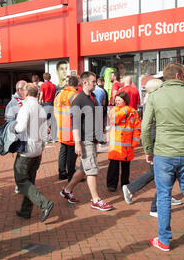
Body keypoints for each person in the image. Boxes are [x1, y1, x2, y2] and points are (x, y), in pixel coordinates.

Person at [141, 63, 184, 252]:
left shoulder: (155, 96)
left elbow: (145, 127)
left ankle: (164, 239)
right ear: (180, 76)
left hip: (163, 153)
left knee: (164, 195)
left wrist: (148, 150)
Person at [60, 71, 113, 211]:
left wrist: (100, 133)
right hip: (85, 140)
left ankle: (67, 190)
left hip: (93, 138)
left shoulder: (93, 97)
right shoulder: (78, 100)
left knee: (85, 169)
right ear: (85, 83)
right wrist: (77, 143)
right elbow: (75, 124)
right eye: (93, 82)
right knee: (92, 170)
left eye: (95, 81)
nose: (96, 84)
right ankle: (96, 200)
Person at [13, 83, 54, 222]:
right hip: (37, 150)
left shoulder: (26, 107)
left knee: (21, 180)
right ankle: (26, 211)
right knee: (29, 181)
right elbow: (45, 131)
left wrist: (13, 127)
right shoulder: (40, 108)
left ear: (25, 93)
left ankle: (45, 204)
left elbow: (21, 127)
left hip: (27, 150)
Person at [106, 91, 141, 192]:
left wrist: (135, 141)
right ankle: (112, 185)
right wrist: (125, 110)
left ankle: (125, 184)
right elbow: (115, 119)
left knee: (126, 167)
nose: (116, 102)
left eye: (119, 100)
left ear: (125, 101)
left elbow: (137, 127)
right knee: (114, 165)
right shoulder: (114, 110)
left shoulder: (133, 112)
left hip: (127, 144)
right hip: (116, 145)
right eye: (116, 100)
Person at [54, 76, 80, 182]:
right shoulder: (75, 96)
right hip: (71, 128)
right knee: (71, 153)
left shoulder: (59, 95)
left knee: (63, 149)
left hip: (61, 127)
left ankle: (61, 172)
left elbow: (55, 110)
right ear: (77, 84)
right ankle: (71, 175)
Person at [4, 80, 26, 193]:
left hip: (31, 138)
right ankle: (19, 183)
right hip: (20, 137)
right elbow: (9, 121)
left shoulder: (28, 100)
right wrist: (19, 126)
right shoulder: (12, 104)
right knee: (20, 163)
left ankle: (27, 182)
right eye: (25, 88)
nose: (27, 90)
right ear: (19, 90)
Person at [38, 73, 57, 141]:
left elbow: (42, 94)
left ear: (43, 78)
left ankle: (46, 137)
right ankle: (53, 138)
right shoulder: (53, 85)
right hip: (52, 104)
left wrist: (39, 101)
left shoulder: (43, 85)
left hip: (46, 103)